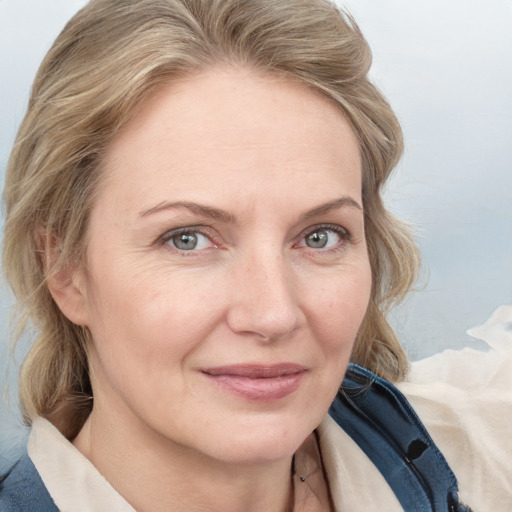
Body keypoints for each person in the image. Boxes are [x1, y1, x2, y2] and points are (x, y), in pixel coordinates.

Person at [0, 0, 510, 510]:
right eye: (188, 239)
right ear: (65, 270)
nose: (274, 314)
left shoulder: (479, 459)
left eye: (319, 236)